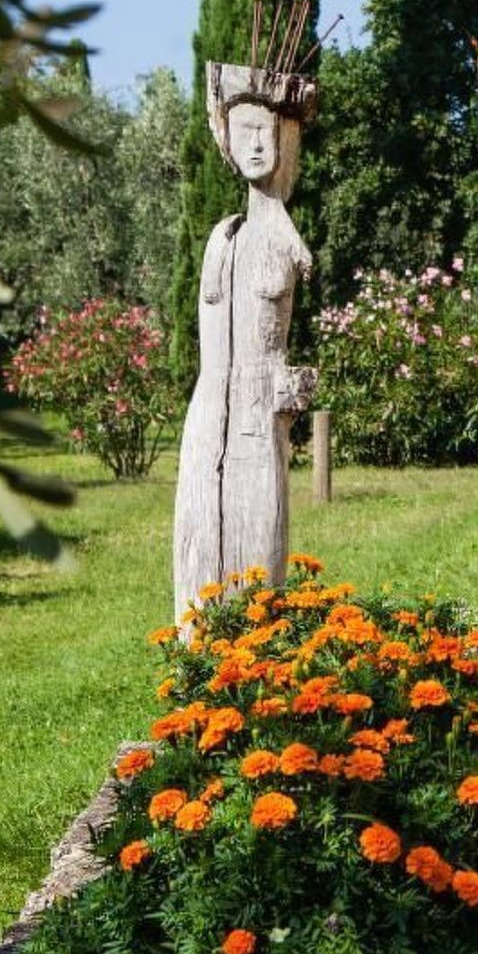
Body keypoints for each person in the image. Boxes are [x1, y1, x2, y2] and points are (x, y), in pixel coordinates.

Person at [172, 61, 318, 622]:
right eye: (243, 130)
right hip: (208, 414)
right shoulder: (223, 236)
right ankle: (194, 670)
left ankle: (252, 667)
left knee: (256, 552)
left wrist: (290, 385)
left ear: (285, 136)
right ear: (227, 140)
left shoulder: (282, 237)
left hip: (258, 419)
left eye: (266, 130)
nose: (255, 143)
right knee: (199, 541)